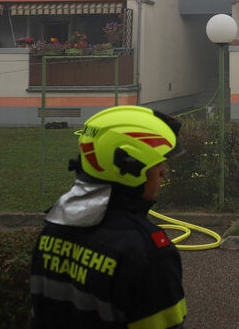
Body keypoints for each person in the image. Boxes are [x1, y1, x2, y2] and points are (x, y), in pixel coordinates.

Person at [30, 105, 187, 329]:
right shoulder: (148, 253)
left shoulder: (52, 229)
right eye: (158, 162)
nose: (164, 170)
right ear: (130, 166)